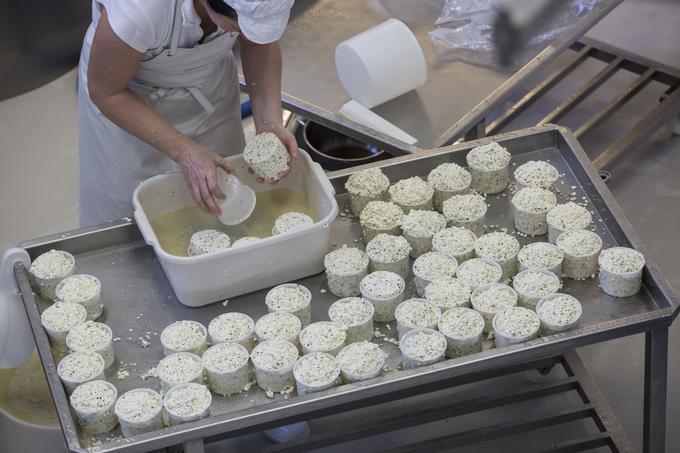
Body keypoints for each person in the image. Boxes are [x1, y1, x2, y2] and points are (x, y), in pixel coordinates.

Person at [78, 0, 297, 227]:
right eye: (240, 27)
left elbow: (260, 44)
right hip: (126, 101)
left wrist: (270, 122)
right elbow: (106, 92)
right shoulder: (140, 9)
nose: (245, 34)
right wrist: (185, 152)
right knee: (134, 217)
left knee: (222, 196)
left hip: (209, 88)